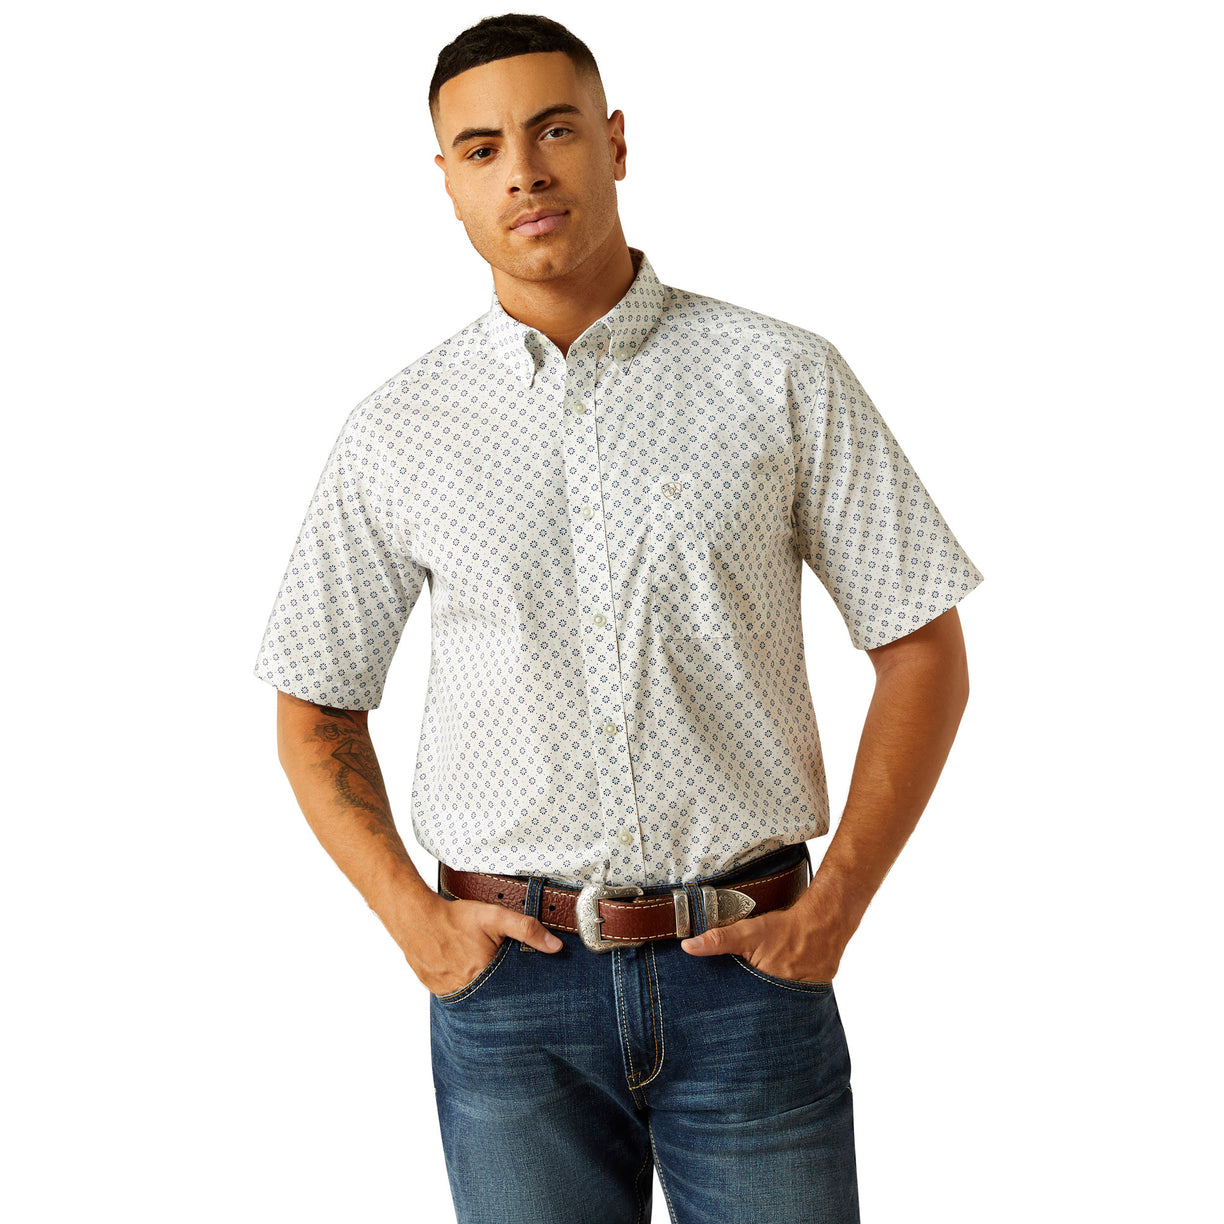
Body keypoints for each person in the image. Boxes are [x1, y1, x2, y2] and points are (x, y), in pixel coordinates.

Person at [254, 13, 984, 1223]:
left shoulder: (781, 375)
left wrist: (839, 905)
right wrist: (417, 926)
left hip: (751, 975)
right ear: (447, 182)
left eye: (554, 131)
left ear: (616, 143)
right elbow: (314, 701)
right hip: (511, 998)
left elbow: (922, 647)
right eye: (482, 149)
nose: (524, 172)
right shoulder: (397, 430)